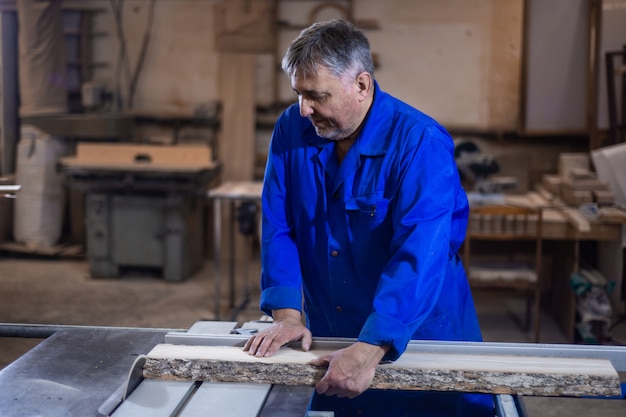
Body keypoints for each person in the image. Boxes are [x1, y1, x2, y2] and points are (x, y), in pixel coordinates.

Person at [244, 19, 493, 417]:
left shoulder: (420, 144)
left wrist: (372, 346)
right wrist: (289, 315)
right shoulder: (294, 128)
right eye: (298, 94)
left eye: (315, 95)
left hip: (414, 330)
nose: (304, 108)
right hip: (334, 329)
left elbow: (419, 255)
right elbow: (279, 226)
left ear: (361, 85)